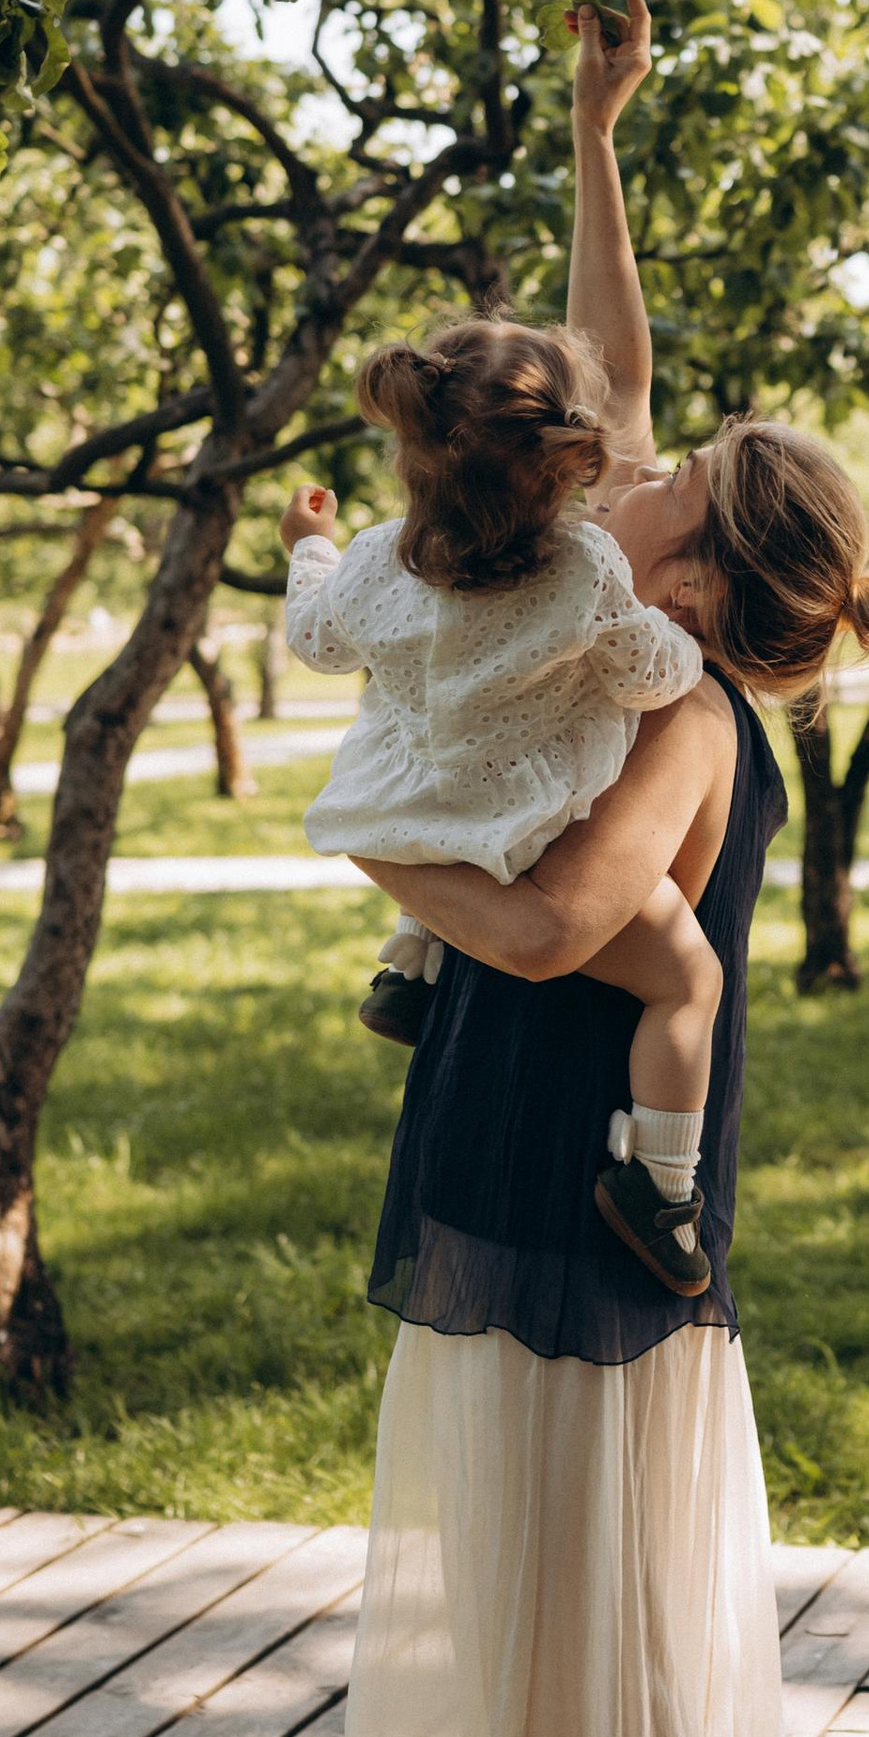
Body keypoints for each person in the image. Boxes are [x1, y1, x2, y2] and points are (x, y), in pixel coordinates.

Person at [337, 0, 869, 1737]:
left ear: (702, 561)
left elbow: (543, 928)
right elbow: (613, 361)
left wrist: (372, 839)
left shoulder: (676, 702)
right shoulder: (626, 629)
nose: (614, 474)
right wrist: (598, 137)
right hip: (535, 1161)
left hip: (580, 1201)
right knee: (534, 1587)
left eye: (656, 494)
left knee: (571, 1590)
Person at [280, 312, 730, 1294]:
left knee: (441, 765)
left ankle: (414, 958)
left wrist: (307, 545)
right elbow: (649, 674)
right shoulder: (585, 571)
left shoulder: (367, 563)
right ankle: (662, 1182)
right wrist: (689, 641)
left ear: (412, 456)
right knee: (688, 984)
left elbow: (312, 639)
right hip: (526, 831)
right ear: (566, 467)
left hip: (403, 805)